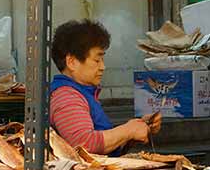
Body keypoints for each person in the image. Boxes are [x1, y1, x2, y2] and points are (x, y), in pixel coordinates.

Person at [49, 19, 161, 155]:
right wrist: (128, 130)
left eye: (102, 60)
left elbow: (105, 145)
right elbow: (84, 144)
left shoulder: (83, 93)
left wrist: (138, 128)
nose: (103, 67)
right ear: (72, 62)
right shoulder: (66, 97)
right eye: (97, 60)